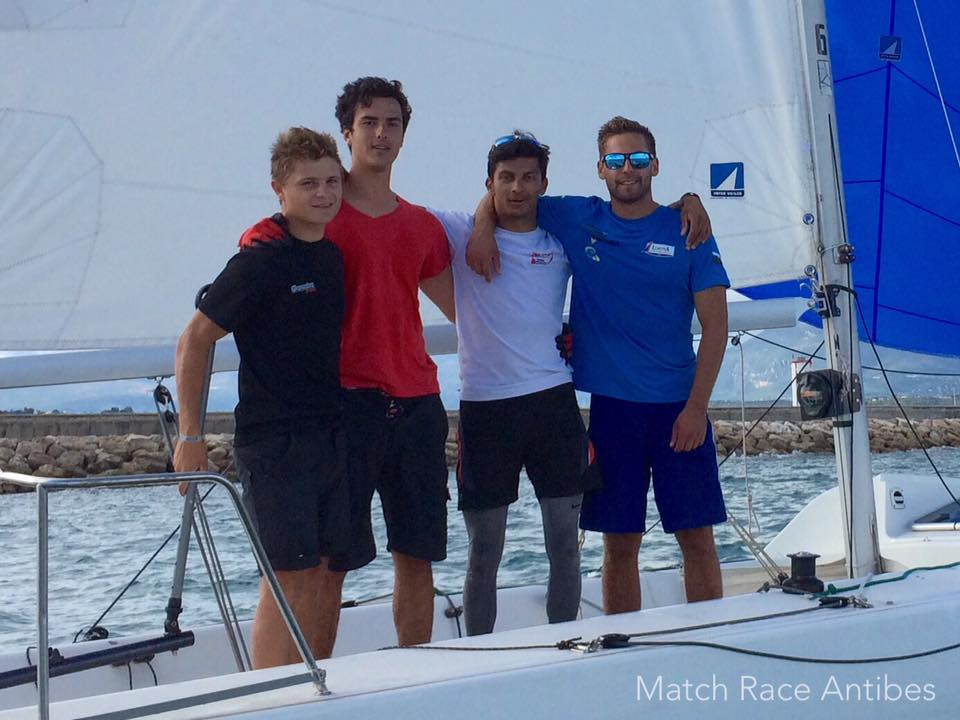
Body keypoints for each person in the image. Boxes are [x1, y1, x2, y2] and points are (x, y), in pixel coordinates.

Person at [467, 116, 729, 614]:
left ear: (654, 165)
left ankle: (712, 634)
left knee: (696, 540)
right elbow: (508, 196)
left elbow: (716, 327)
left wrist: (697, 409)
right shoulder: (579, 218)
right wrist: (482, 228)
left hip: (678, 410)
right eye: (614, 160)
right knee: (618, 545)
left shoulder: (688, 230)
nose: (626, 169)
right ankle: (619, 645)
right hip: (611, 412)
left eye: (636, 159)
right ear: (600, 170)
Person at [238, 78, 455, 647]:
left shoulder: (423, 226)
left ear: (405, 134)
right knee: (331, 563)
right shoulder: (316, 214)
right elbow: (263, 251)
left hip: (417, 403)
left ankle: (416, 679)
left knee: (417, 556)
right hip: (345, 409)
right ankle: (322, 686)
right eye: (368, 123)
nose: (381, 134)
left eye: (392, 123)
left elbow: (466, 311)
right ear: (347, 132)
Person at [173, 127, 348, 666]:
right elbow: (194, 339)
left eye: (331, 182)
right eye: (308, 183)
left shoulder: (333, 257)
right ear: (280, 189)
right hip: (275, 443)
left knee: (326, 571)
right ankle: (272, 698)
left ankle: (318, 695)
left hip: (333, 434)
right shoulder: (259, 260)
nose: (323, 193)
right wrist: (190, 437)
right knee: (288, 574)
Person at [430, 132, 587, 635]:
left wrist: (692, 201)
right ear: (489, 183)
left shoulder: (560, 238)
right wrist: (480, 224)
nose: (517, 188)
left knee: (564, 543)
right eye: (505, 178)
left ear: (543, 182)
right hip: (485, 408)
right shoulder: (458, 232)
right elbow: (386, 209)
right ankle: (481, 655)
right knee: (483, 553)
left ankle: (565, 644)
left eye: (527, 178)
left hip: (553, 404)